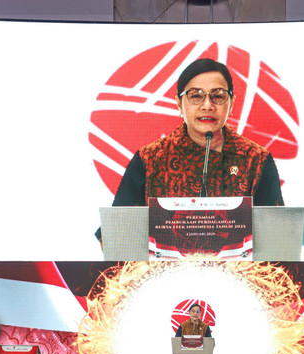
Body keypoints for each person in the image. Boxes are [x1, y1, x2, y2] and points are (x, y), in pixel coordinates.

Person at [97, 58, 284, 242]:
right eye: (196, 96)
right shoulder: (150, 160)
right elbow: (114, 236)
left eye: (218, 96)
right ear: (179, 103)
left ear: (231, 103)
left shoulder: (256, 160)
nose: (207, 105)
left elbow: (278, 236)